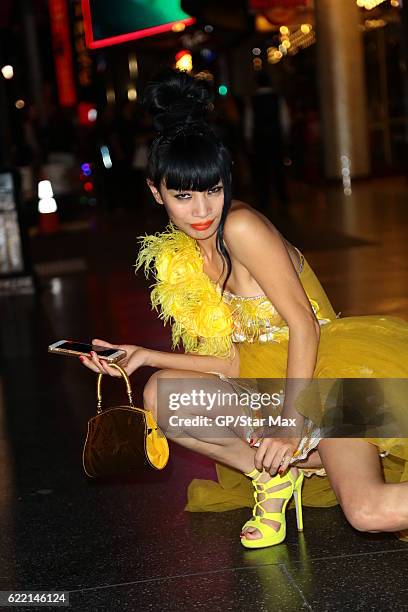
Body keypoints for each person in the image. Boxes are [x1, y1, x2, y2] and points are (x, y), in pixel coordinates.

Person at [80, 69, 408, 548]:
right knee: (162, 397)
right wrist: (145, 355)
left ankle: (298, 458)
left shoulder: (240, 227)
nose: (201, 211)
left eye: (213, 190)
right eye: (183, 196)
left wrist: (291, 426)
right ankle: (277, 475)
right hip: (270, 386)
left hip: (330, 379)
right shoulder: (186, 253)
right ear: (157, 192)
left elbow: (303, 324)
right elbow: (234, 360)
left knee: (368, 512)